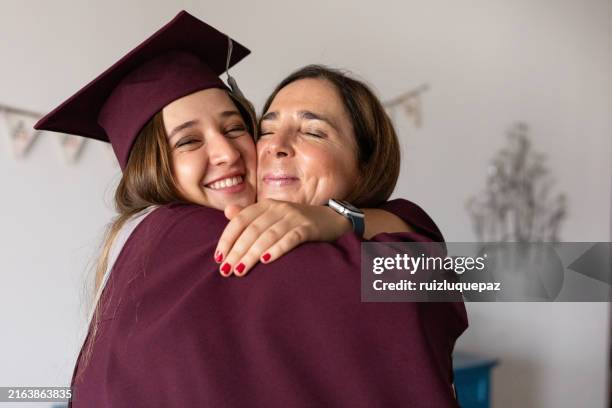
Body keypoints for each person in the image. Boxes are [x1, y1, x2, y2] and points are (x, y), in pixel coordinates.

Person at [35, 10, 466, 408]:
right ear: (153, 165)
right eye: (268, 128)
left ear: (365, 163)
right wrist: (363, 221)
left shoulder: (144, 241)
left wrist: (345, 219)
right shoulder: (208, 243)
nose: (269, 147)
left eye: (238, 127)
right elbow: (498, 273)